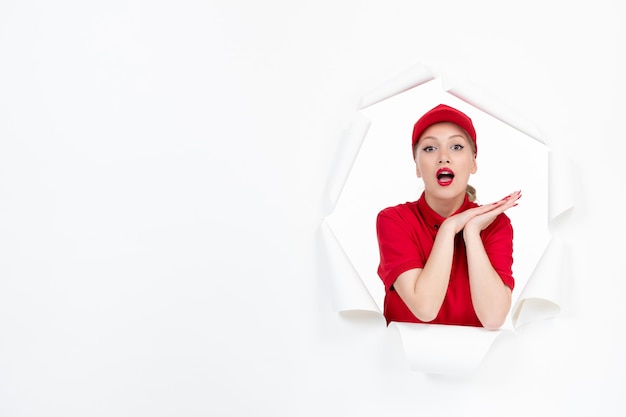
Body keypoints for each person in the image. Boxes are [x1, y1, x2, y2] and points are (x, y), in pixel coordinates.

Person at [375, 104, 521, 330]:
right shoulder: (394, 220)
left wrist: (471, 232)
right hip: (402, 363)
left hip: (474, 363)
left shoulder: (495, 224)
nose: (443, 157)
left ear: (473, 163)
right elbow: (425, 308)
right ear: (417, 167)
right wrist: (449, 228)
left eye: (456, 146)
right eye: (430, 149)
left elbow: (493, 319)